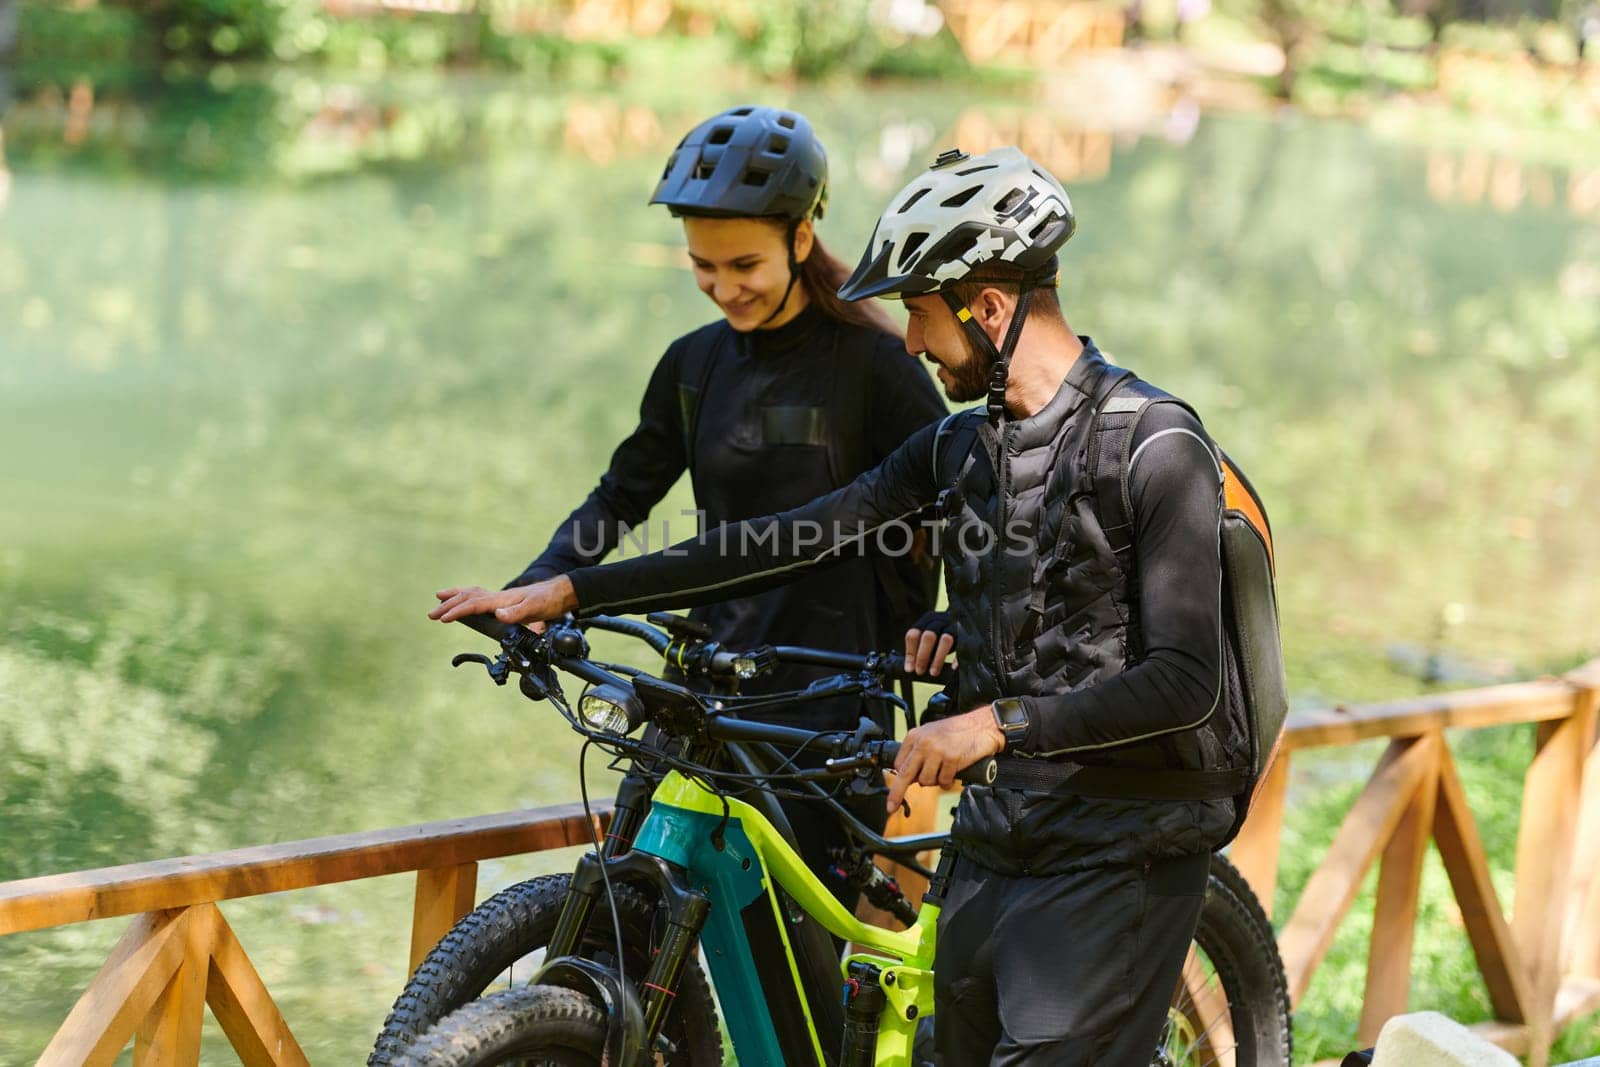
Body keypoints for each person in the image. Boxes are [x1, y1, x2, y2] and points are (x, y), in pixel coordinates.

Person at [434, 144, 1240, 1062]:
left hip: (1118, 845)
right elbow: (782, 537)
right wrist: (571, 585)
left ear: (989, 307)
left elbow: (1185, 680)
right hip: (997, 839)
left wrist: (994, 724)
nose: (911, 341)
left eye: (921, 314)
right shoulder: (960, 447)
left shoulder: (1158, 444)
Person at [447, 105, 948, 909]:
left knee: (799, 947)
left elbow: (960, 505)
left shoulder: (876, 365)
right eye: (702, 266)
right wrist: (535, 586)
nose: (723, 288)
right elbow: (623, 493)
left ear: (802, 236)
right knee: (630, 909)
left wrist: (958, 629)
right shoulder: (694, 364)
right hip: (703, 687)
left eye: (743, 263)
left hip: (826, 705)